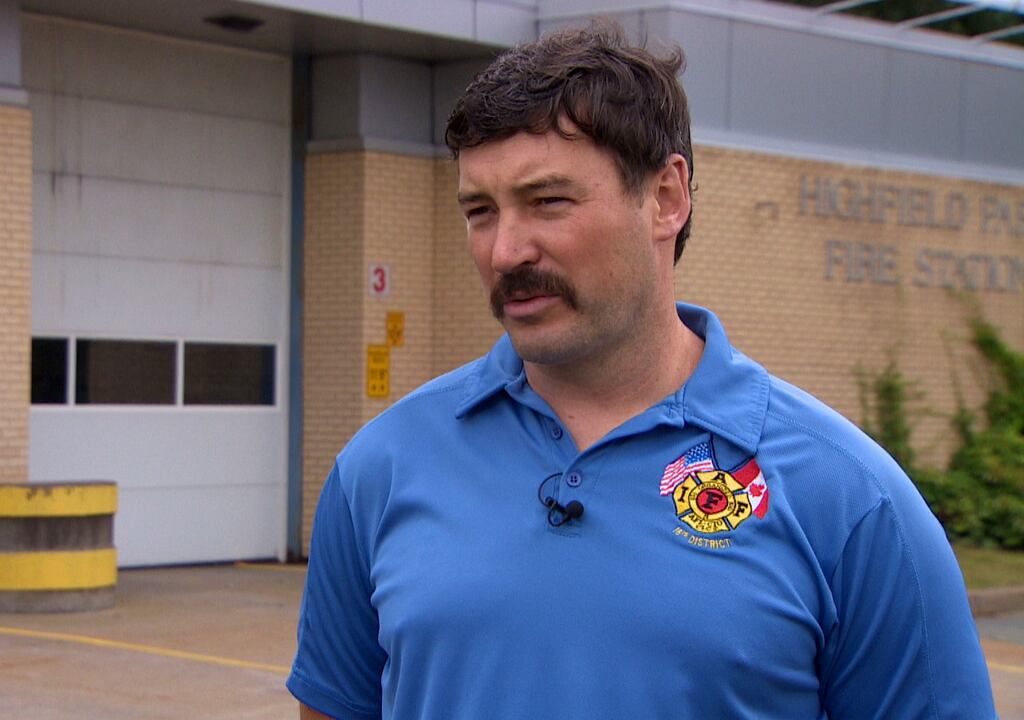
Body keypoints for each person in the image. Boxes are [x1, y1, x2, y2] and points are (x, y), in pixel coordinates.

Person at [287, 24, 997, 720]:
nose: (505, 250)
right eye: (480, 211)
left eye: (547, 202)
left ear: (665, 198)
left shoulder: (849, 500)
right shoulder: (380, 469)